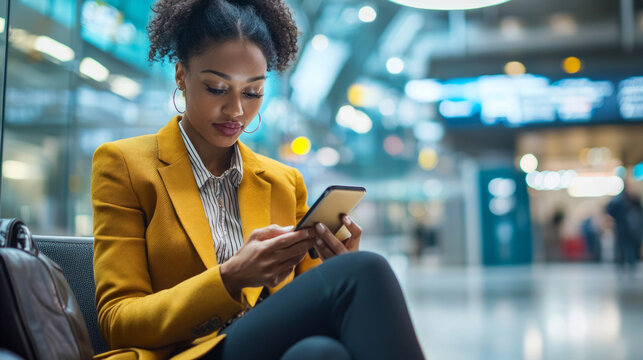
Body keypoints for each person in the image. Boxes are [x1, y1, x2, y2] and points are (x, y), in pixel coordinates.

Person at [91, 1, 425, 359]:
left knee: (320, 353)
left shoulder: (284, 182)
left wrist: (336, 262)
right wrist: (231, 277)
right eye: (217, 88)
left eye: (252, 93)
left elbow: (311, 309)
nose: (237, 110)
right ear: (180, 77)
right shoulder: (124, 164)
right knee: (367, 269)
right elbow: (117, 322)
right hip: (182, 354)